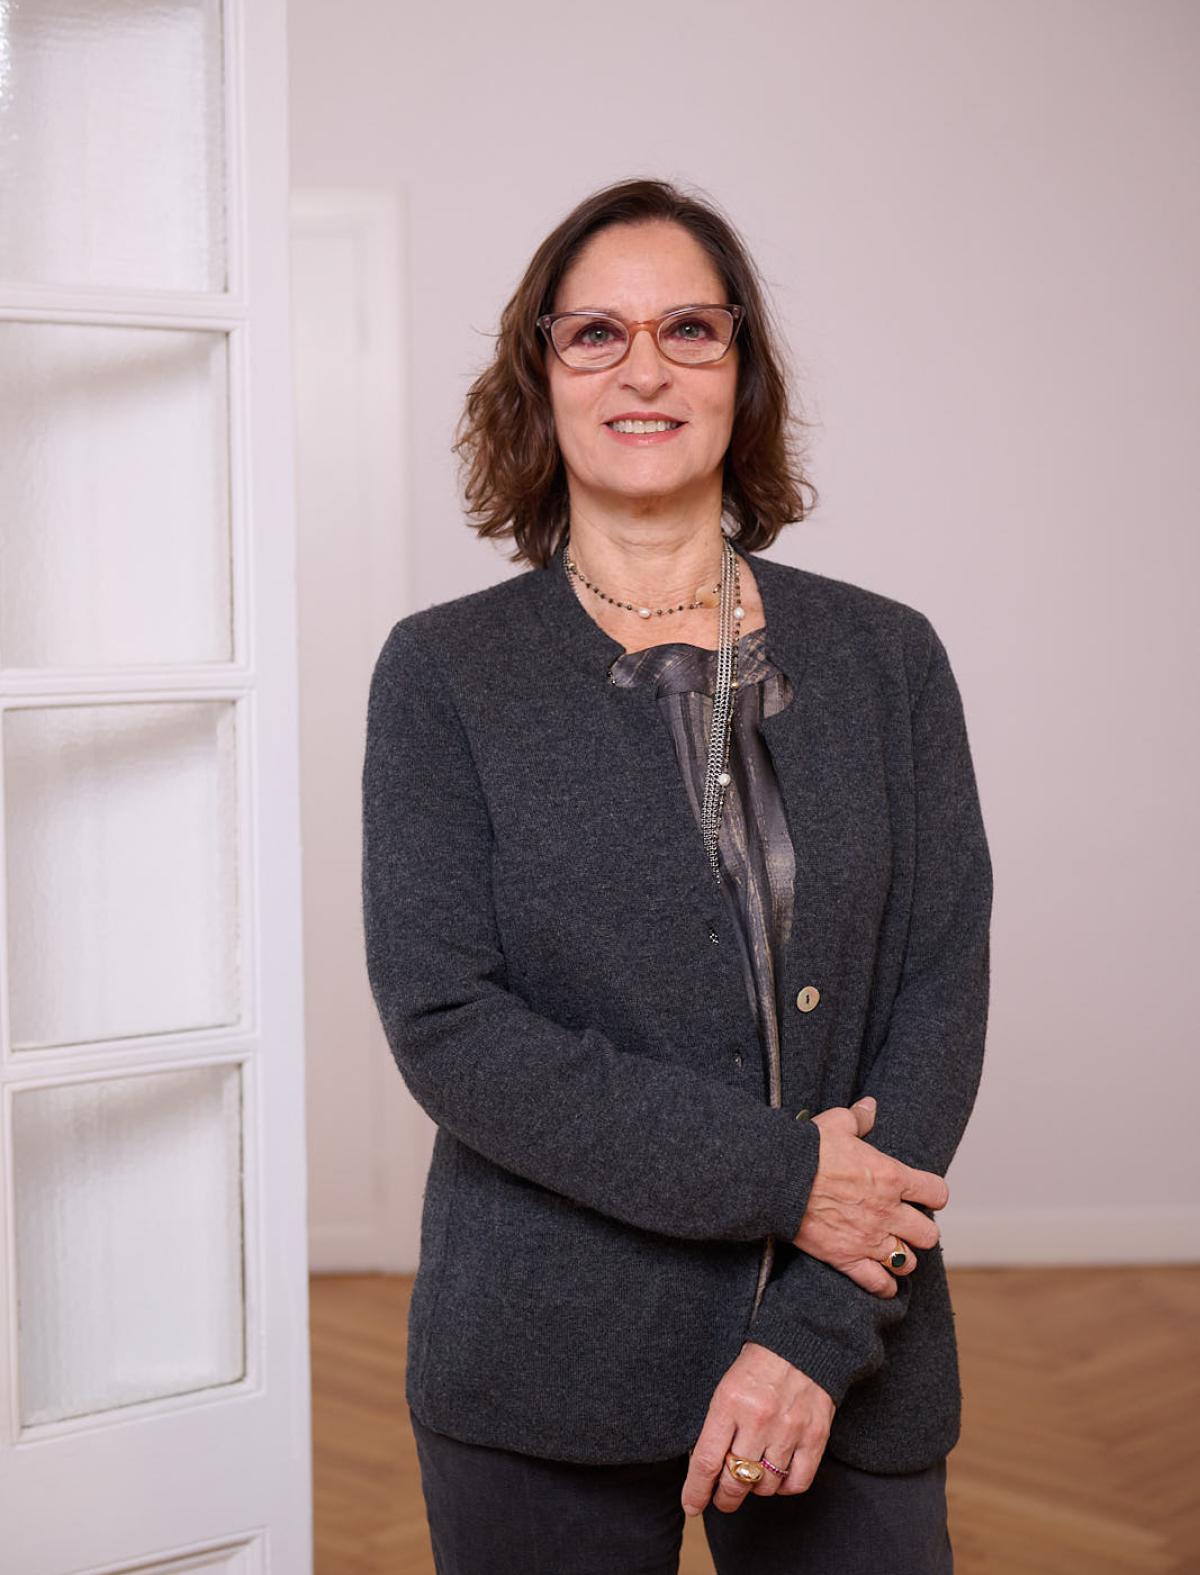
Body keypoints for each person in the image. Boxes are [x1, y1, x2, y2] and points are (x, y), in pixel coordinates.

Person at [361, 176, 992, 1574]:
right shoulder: (444, 672)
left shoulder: (889, 657)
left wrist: (816, 1333)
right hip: (544, 1354)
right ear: (540, 376)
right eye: (595, 332)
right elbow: (449, 1028)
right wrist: (786, 1175)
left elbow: (938, 995)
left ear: (740, 370)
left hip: (851, 1347)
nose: (643, 369)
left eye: (689, 329)